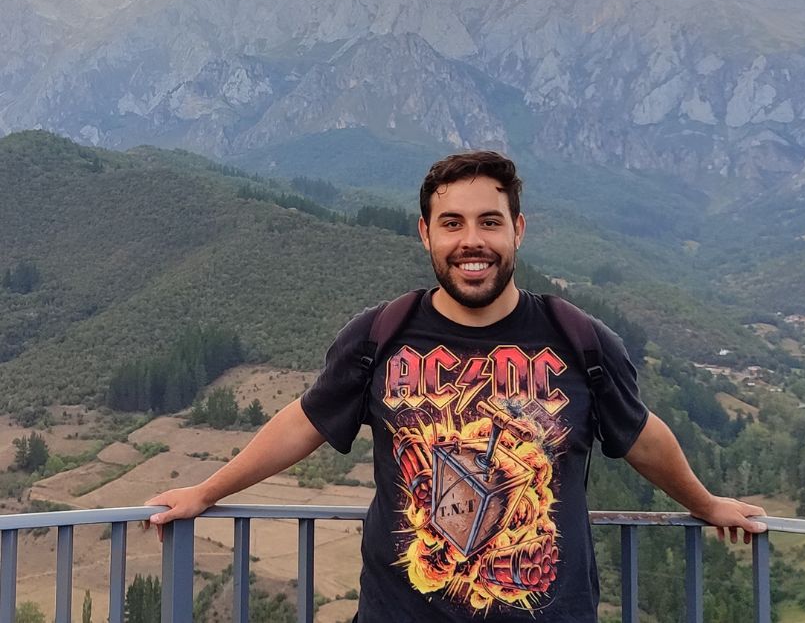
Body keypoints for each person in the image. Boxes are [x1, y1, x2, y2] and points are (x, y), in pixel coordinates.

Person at [146, 150, 766, 622]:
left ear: (518, 229)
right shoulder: (379, 336)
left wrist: (705, 503)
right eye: (452, 223)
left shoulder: (580, 340)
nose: (472, 241)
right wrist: (206, 490)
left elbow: (641, 437)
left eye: (489, 222)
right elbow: (304, 423)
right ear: (426, 233)